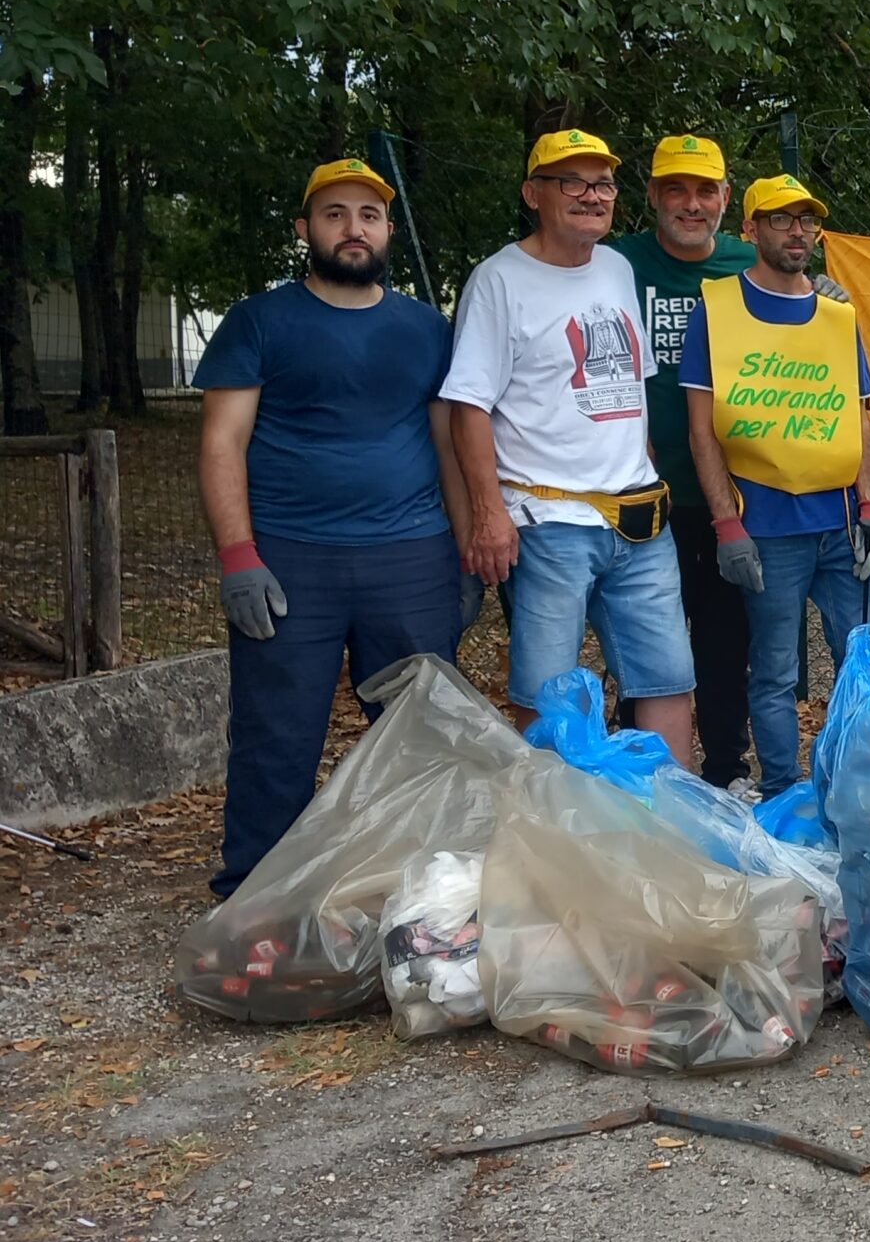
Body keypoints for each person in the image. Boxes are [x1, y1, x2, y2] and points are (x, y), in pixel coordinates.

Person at [193, 157, 469, 896]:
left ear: (386, 231)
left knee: (423, 731)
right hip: (290, 560)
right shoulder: (260, 321)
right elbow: (223, 441)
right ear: (305, 229)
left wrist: (465, 552)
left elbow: (449, 443)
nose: (355, 228)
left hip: (411, 557)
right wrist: (239, 557)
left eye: (370, 215)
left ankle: (430, 889)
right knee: (276, 735)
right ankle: (257, 894)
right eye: (336, 214)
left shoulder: (425, 327)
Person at [440, 129, 695, 757]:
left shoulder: (615, 267)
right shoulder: (499, 280)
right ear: (533, 193)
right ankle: (547, 834)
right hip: (548, 523)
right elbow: (466, 407)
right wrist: (487, 514)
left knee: (668, 681)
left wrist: (644, 468)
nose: (592, 195)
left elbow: (628, 390)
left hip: (640, 519)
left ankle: (670, 832)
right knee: (546, 694)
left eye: (603, 182)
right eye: (572, 182)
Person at [680, 173, 870, 796]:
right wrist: (726, 524)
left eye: (807, 220)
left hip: (843, 522)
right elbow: (702, 429)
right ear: (750, 229)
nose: (798, 232)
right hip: (767, 527)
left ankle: (854, 787)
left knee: (860, 667)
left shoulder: (835, 314)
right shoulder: (716, 309)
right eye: (780, 219)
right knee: (773, 672)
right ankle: (784, 793)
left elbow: (859, 416)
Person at [611, 133, 759, 786]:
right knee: (641, 645)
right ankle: (638, 776)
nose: (691, 204)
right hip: (638, 491)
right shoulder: (614, 265)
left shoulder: (748, 264)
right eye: (676, 189)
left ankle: (727, 774)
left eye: (705, 190)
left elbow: (806, 309)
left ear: (726, 197)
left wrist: (826, 289)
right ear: (652, 196)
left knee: (726, 649)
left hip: (732, 494)